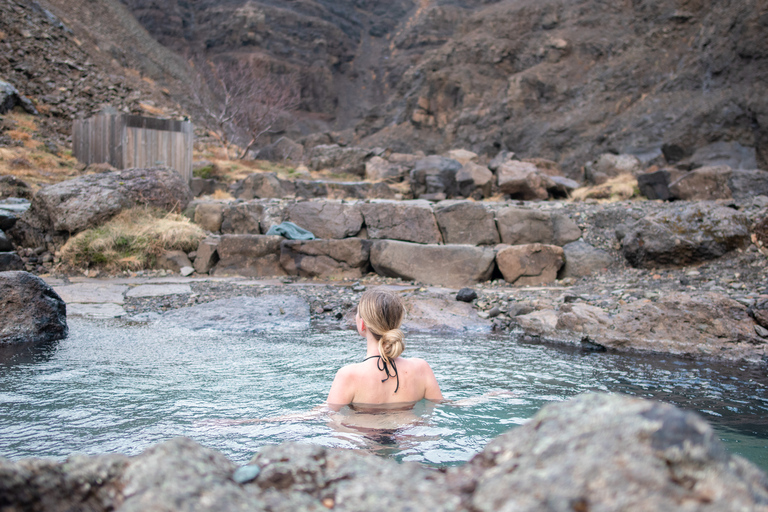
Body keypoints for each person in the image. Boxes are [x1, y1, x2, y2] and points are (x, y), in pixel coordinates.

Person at [326, 288, 443, 408]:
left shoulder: (348, 375)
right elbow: (443, 405)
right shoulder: (421, 369)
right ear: (397, 322)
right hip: (411, 427)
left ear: (362, 324)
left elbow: (327, 415)